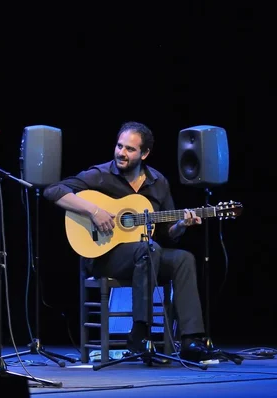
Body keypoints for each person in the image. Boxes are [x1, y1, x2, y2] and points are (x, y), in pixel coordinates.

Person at [43, 121, 220, 363]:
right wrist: (94, 211)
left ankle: (191, 339)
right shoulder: (101, 175)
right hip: (104, 257)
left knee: (182, 258)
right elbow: (53, 190)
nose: (121, 153)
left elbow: (167, 232)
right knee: (149, 249)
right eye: (119, 146)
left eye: (130, 149)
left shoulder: (158, 182)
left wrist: (181, 224)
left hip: (146, 254)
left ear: (145, 153)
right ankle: (141, 333)